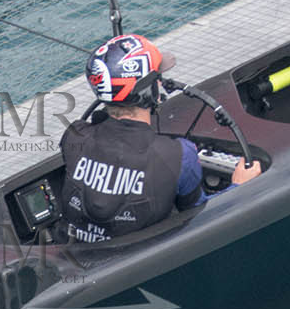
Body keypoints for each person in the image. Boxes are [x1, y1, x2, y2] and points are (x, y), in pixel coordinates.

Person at [57, 34, 262, 243]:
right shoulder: (180, 155)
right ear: (150, 90)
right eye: (158, 78)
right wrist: (238, 186)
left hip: (75, 254)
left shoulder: (74, 137)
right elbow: (199, 218)